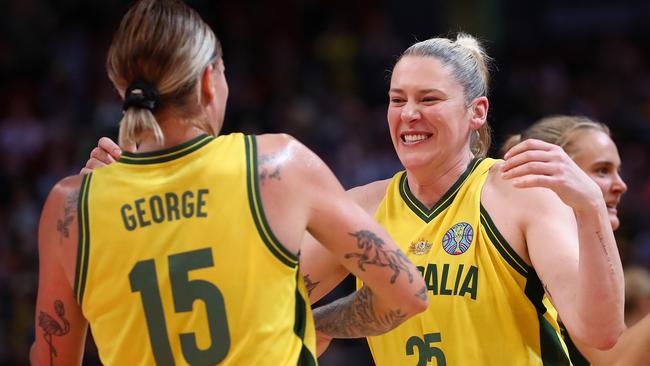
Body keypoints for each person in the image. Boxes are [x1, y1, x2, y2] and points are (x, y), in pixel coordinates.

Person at [85, 33, 626, 365]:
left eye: (428, 100)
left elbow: (601, 334)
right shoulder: (359, 209)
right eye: (397, 100)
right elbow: (245, 297)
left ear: (476, 113)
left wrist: (586, 207)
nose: (408, 115)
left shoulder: (519, 193)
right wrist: (143, 189)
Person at [30, 1, 427, 365]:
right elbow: (408, 292)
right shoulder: (278, 165)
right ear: (208, 81)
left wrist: (108, 195)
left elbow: (52, 359)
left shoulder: (70, 208)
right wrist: (316, 323)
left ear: (123, 90)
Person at [502, 115, 650, 366]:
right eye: (602, 170)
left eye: (618, 171)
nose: (621, 185)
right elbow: (614, 360)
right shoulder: (541, 253)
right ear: (549, 171)